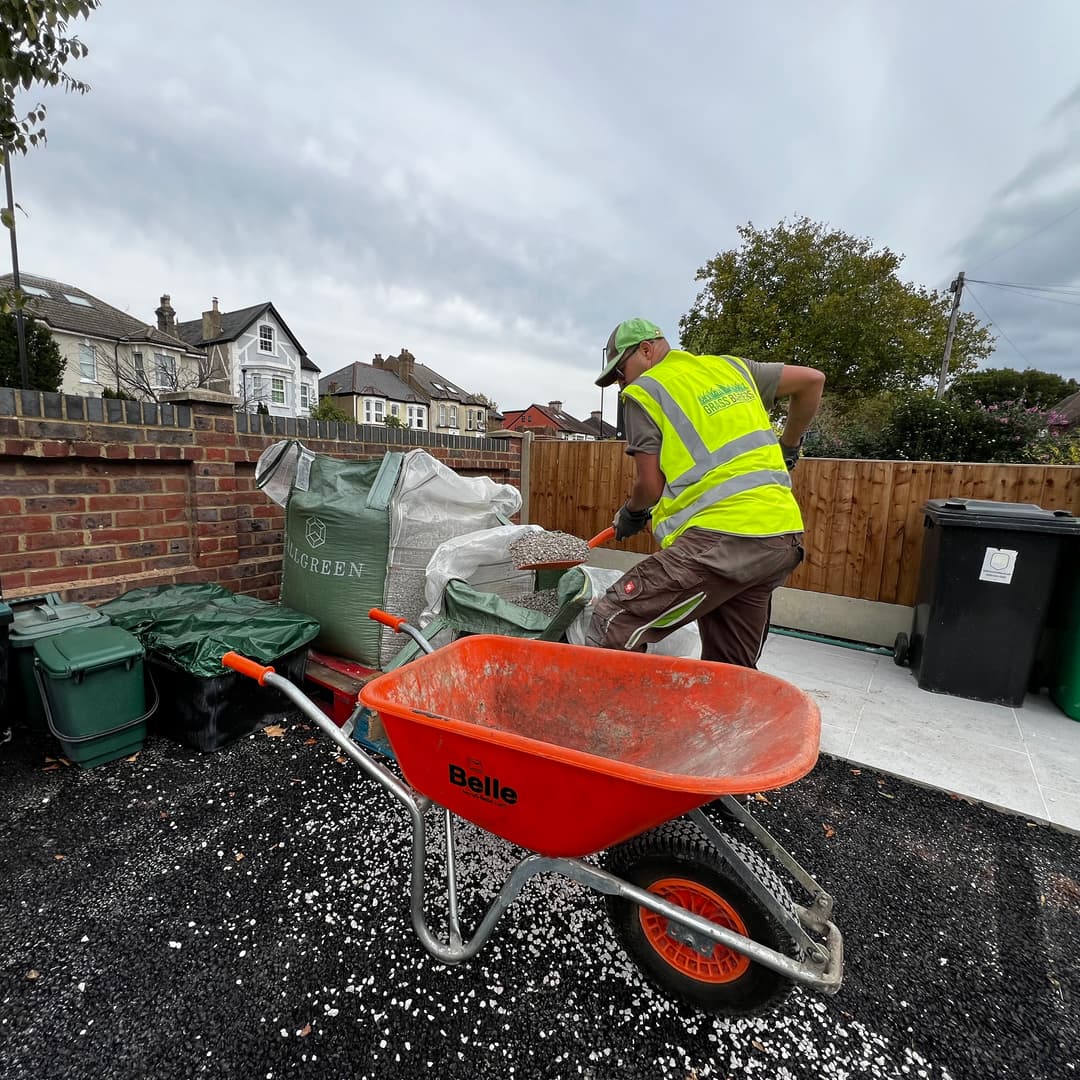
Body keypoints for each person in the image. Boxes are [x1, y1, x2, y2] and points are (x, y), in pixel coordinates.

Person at [585, 318, 825, 668]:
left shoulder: (645, 391)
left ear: (647, 350)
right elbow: (812, 381)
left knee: (614, 616)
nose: (623, 384)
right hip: (779, 539)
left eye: (621, 372)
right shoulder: (732, 368)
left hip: (723, 540)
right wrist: (789, 445)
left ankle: (601, 721)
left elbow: (649, 488)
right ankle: (730, 720)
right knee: (729, 668)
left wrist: (631, 514)